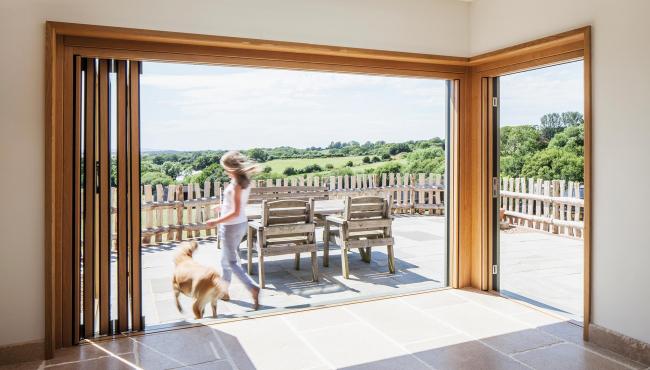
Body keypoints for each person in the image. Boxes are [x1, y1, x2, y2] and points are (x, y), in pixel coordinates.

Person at [205, 151, 260, 309]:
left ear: (231, 168)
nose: (224, 171)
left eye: (225, 168)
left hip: (231, 227)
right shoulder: (244, 182)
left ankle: (252, 288)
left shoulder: (236, 184)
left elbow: (234, 211)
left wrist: (216, 220)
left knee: (232, 262)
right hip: (240, 224)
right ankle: (224, 291)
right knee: (225, 259)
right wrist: (221, 207)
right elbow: (237, 206)